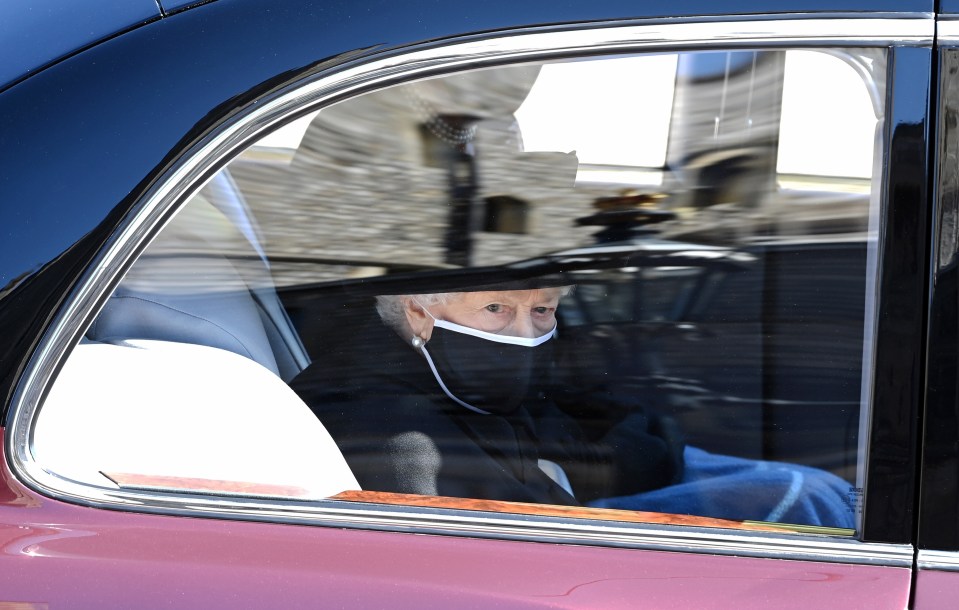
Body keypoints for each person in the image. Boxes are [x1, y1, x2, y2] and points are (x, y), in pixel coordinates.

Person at [290, 283, 855, 528]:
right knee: (804, 497)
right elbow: (503, 538)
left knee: (826, 491)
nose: (524, 331)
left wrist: (567, 467)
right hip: (545, 543)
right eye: (495, 308)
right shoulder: (385, 428)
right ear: (417, 312)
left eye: (543, 310)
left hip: (579, 492)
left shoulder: (454, 362)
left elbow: (584, 421)